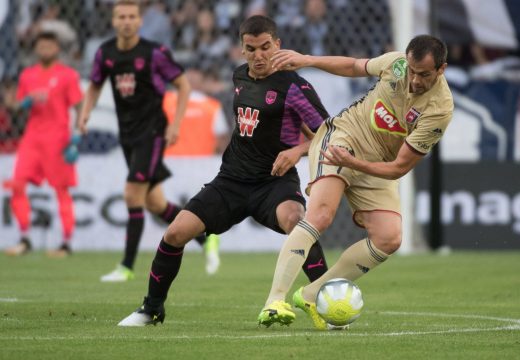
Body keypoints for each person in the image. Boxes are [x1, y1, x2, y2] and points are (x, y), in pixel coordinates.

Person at [118, 15, 330, 327]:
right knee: (176, 232)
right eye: (251, 48)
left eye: (265, 47)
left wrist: (297, 150)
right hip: (230, 180)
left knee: (296, 222)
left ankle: (326, 303)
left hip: (274, 182)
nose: (259, 55)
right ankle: (151, 309)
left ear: (278, 45)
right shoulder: (239, 76)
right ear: (242, 50)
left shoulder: (296, 85)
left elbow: (328, 133)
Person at [259, 34, 454, 329]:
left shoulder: (439, 109)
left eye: (424, 74)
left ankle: (311, 294)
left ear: (441, 69)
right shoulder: (396, 64)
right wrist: (309, 60)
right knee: (321, 215)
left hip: (375, 164)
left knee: (389, 238)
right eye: (412, 71)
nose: (414, 80)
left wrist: (354, 165)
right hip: (343, 137)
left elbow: (399, 167)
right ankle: (275, 300)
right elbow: (353, 66)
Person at [78, 0, 219, 281]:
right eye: (122, 16)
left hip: (152, 133)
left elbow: (183, 84)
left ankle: (126, 267)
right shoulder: (105, 53)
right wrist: (84, 114)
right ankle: (206, 238)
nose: (127, 21)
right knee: (155, 204)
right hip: (128, 135)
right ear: (114, 21)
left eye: (132, 16)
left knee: (132, 194)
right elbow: (94, 84)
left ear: (140, 21)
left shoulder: (154, 53)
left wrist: (175, 125)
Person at [4, 31, 83, 257]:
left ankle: (66, 243)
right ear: (36, 49)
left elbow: (79, 106)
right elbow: (16, 107)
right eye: (41, 46)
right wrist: (25, 102)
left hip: (58, 139)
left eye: (50, 46)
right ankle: (24, 239)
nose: (45, 50)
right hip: (32, 138)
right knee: (17, 185)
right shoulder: (28, 75)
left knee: (61, 189)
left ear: (57, 49)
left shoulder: (68, 75)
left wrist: (76, 137)